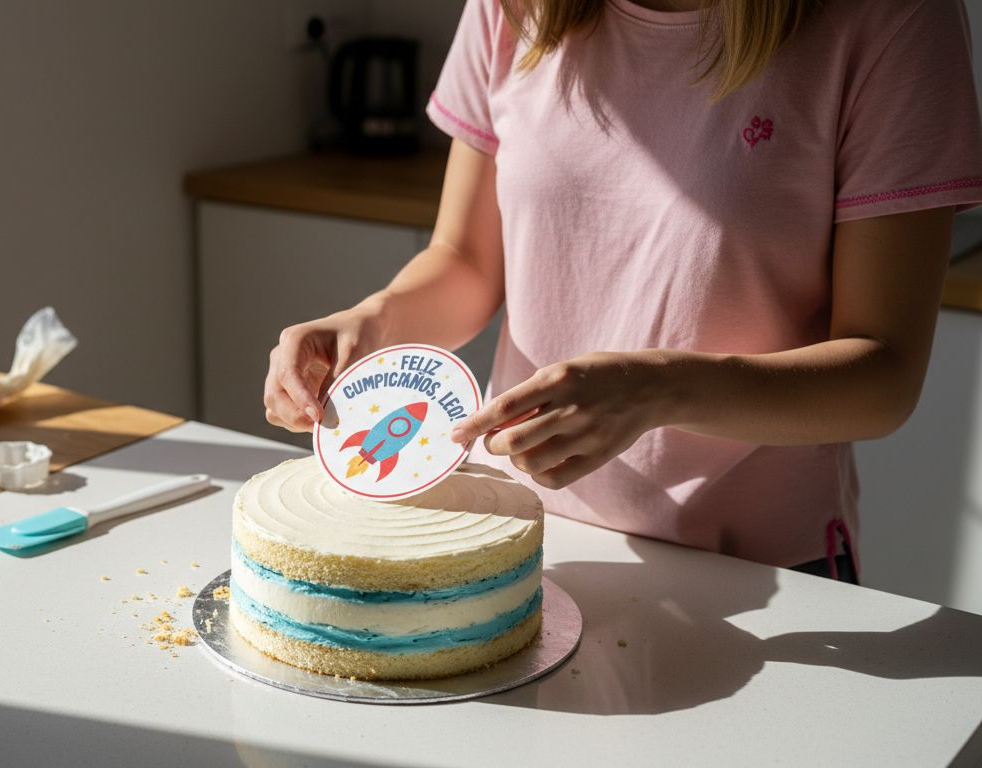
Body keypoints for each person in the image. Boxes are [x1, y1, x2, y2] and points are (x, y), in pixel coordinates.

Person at [262, 0, 982, 582]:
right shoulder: (514, 7)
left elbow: (883, 375)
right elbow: (466, 261)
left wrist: (658, 388)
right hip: (515, 540)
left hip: (761, 571)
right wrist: (372, 322)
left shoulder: (895, 20)